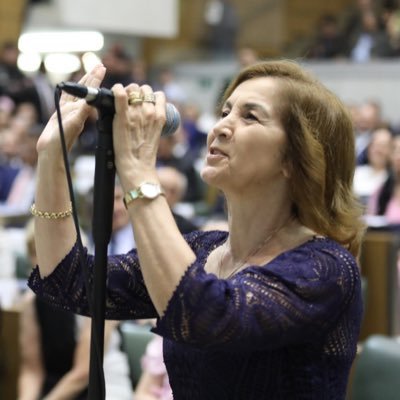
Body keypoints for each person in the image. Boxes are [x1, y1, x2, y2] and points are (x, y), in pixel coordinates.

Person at [28, 60, 365, 399]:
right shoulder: (203, 249)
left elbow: (208, 314)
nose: (220, 128)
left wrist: (138, 170)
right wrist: (51, 159)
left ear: (296, 158)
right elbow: (70, 281)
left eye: (250, 116)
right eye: (225, 111)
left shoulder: (327, 269)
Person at [18, 220, 133, 400]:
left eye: (56, 250)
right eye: (37, 252)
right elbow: (32, 370)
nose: (47, 259)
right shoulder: (31, 301)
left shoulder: (100, 293)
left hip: (103, 387)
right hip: (58, 387)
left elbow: (83, 373)